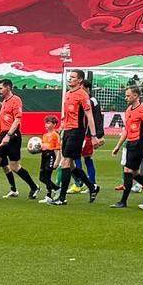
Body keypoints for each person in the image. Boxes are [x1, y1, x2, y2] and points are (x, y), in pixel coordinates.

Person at [51, 70, 97, 205]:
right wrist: (62, 127)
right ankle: (92, 187)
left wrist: (94, 136)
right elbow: (66, 115)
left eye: (73, 77)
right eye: (69, 77)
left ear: (80, 80)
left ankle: (62, 198)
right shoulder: (67, 94)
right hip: (67, 131)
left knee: (65, 162)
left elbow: (89, 116)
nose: (70, 79)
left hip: (77, 132)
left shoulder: (83, 95)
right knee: (70, 166)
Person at [116, 85, 143, 209]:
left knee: (128, 170)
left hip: (139, 143)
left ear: (136, 95)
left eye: (128, 96)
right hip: (130, 143)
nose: (126, 98)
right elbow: (126, 130)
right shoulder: (128, 110)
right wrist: (118, 146)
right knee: (134, 173)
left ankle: (123, 201)